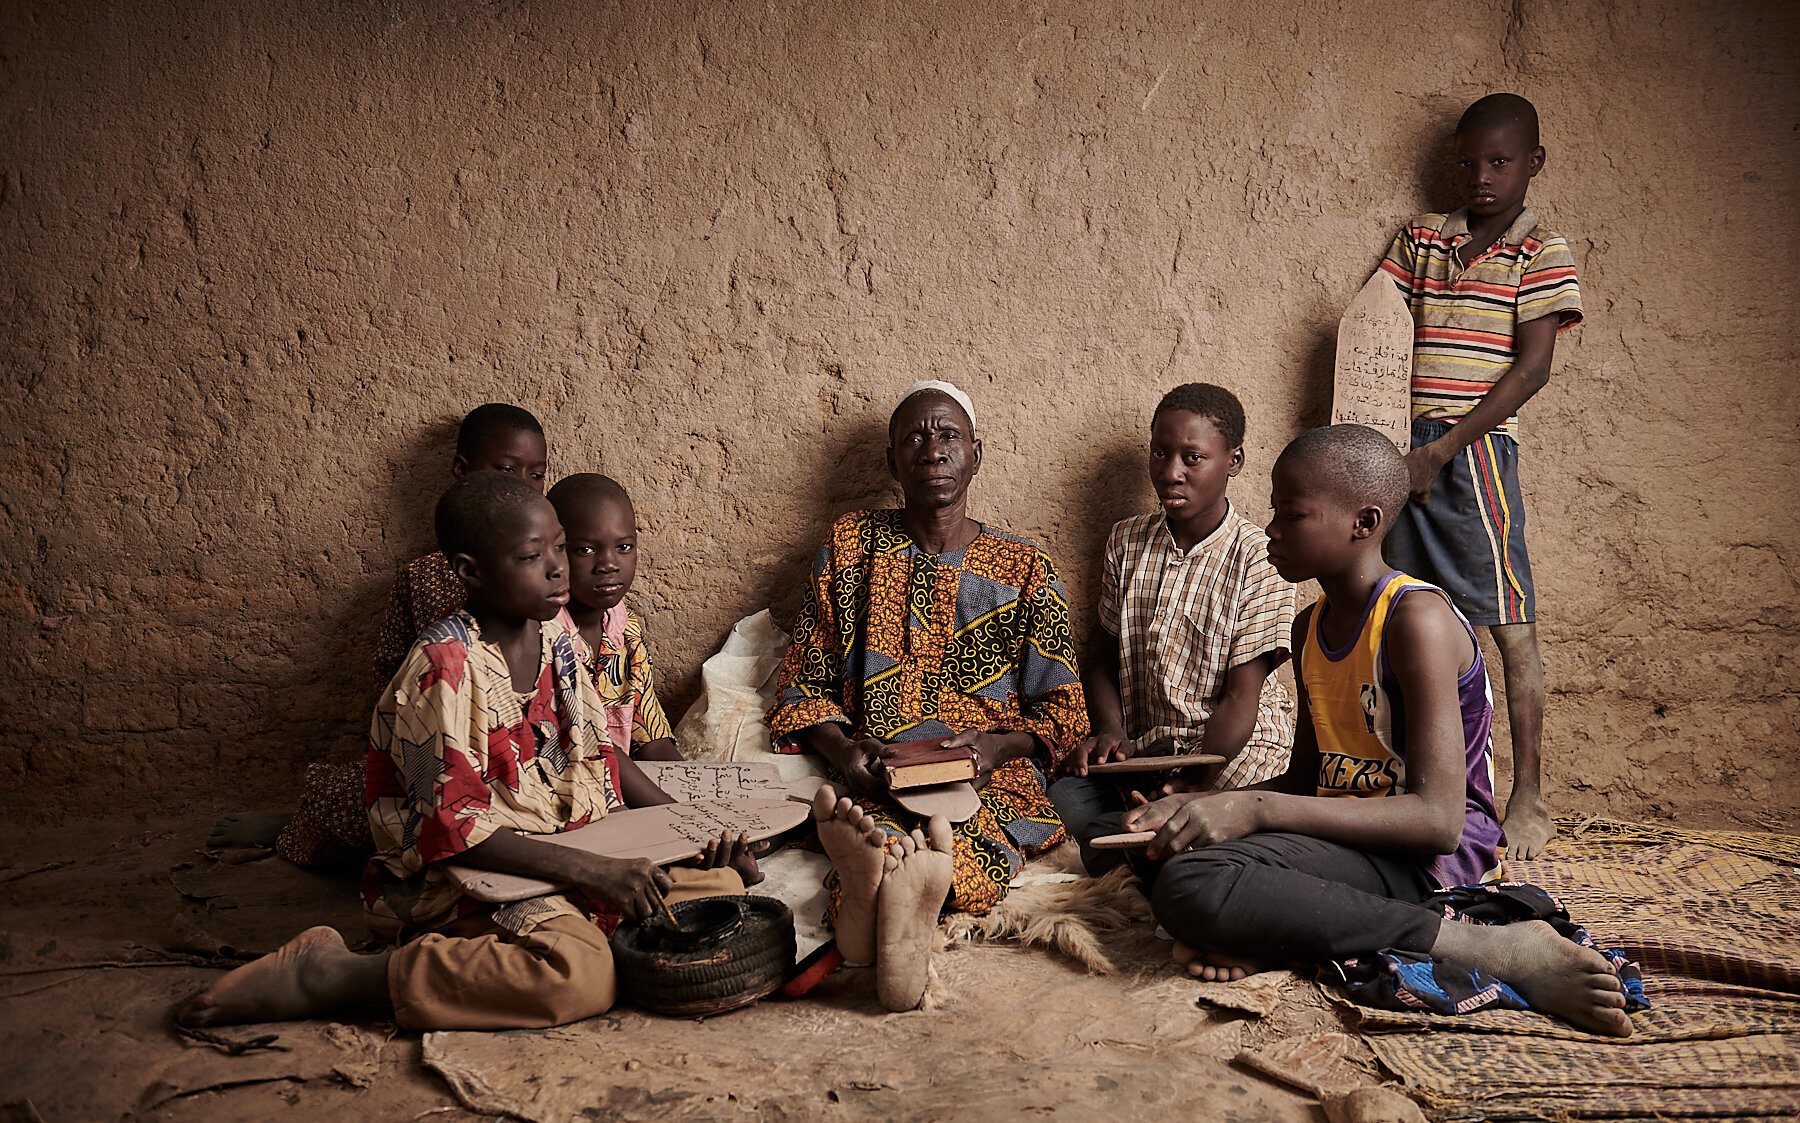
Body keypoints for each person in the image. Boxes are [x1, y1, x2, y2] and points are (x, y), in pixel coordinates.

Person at [178, 473, 757, 1031]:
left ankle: (587, 938)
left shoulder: (557, 638)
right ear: (470, 572)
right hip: (472, 879)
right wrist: (592, 870)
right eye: (533, 556)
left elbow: (600, 753)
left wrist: (683, 840)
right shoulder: (441, 670)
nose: (558, 567)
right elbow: (449, 831)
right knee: (577, 979)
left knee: (724, 888)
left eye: (559, 547)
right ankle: (337, 976)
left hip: (569, 853)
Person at [1107, 425, 1631, 1037]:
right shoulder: (1310, 628)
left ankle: (1487, 949)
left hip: (1424, 857)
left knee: (1193, 885)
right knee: (1150, 848)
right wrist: (1203, 805)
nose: (1271, 530)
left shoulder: (1416, 620)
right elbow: (1307, 781)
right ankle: (1278, 933)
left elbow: (1438, 821)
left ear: (1364, 521)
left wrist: (1252, 807)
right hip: (1353, 840)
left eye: (1291, 514)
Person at [768, 380, 1088, 1010]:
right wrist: (842, 753)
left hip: (984, 773)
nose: (932, 450)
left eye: (949, 435)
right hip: (878, 768)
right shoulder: (849, 546)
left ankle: (884, 912)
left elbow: (1064, 713)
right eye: (913, 437)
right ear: (892, 462)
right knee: (874, 834)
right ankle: (884, 904)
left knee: (970, 845)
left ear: (977, 453)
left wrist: (1000, 745)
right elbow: (802, 682)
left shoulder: (1025, 567)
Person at [207, 403, 550, 865]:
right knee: (378, 802)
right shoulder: (426, 577)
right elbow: (392, 671)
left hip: (529, 746)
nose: (520, 486)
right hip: (443, 737)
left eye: (536, 475)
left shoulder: (548, 574)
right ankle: (301, 821)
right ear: (461, 471)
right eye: (506, 470)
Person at [1377, 93, 1583, 860]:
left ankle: (1525, 791)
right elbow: (1375, 328)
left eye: (1500, 162)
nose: (1483, 177)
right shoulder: (1424, 239)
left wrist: (1444, 448)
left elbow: (1531, 370)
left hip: (1477, 454)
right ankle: (1410, 784)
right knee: (1398, 614)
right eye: (1469, 163)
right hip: (1403, 452)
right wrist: (1394, 449)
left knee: (1509, 624)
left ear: (1533, 161)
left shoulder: (1540, 252)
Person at [1050, 383, 1296, 858]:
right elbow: (1102, 656)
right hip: (1148, 753)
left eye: (1192, 458)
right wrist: (1111, 734)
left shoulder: (1260, 556)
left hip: (1231, 754)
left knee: (1181, 839)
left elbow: (1242, 695)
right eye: (1160, 453)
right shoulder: (1126, 541)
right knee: (1065, 805)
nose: (1170, 473)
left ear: (1235, 461)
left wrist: (1192, 786)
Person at [547, 473, 683, 762]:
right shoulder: (543, 637)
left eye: (623, 547)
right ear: (553, 552)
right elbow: (591, 752)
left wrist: (698, 793)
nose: (608, 564)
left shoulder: (626, 631)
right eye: (586, 549)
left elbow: (651, 738)